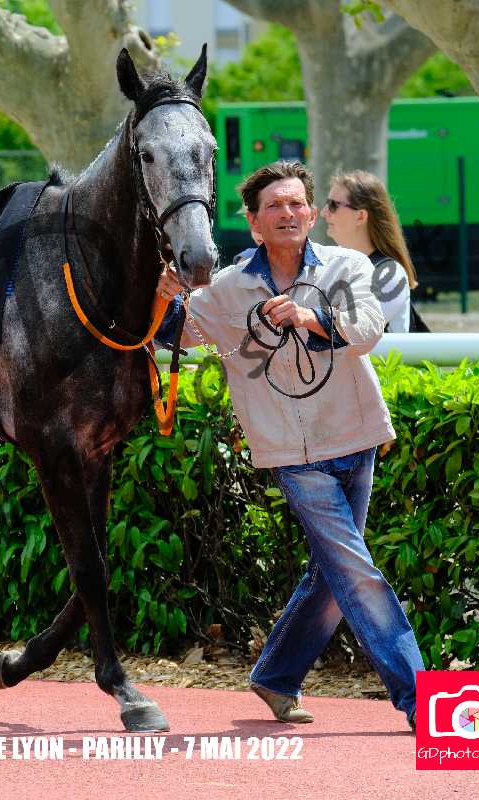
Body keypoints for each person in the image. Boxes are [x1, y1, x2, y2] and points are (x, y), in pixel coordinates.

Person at [155, 160, 424, 729]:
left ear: (311, 213)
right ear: (253, 223)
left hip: (356, 435)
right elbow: (174, 333)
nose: (288, 213)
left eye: (297, 203)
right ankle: (420, 700)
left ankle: (276, 675)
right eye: (274, 206)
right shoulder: (228, 287)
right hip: (292, 454)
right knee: (355, 570)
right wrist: (162, 296)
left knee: (333, 572)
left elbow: (367, 330)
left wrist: (310, 315)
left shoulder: (349, 265)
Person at [321, 170, 428, 333]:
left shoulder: (389, 274)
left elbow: (354, 332)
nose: (324, 212)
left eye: (333, 205)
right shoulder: (330, 263)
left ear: (360, 216)